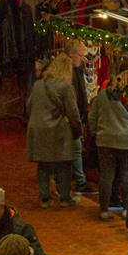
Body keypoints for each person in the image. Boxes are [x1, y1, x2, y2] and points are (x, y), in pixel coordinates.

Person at [89, 68, 128, 220]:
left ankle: (103, 210)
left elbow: (92, 117)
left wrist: (95, 132)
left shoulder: (102, 96)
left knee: (106, 175)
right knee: (126, 175)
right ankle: (126, 209)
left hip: (105, 140)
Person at [25, 56, 80, 209]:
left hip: (37, 129)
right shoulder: (65, 87)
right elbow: (73, 112)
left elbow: (28, 106)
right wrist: (77, 131)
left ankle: (45, 199)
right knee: (63, 164)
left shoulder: (37, 85)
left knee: (43, 166)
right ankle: (64, 197)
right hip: (58, 130)